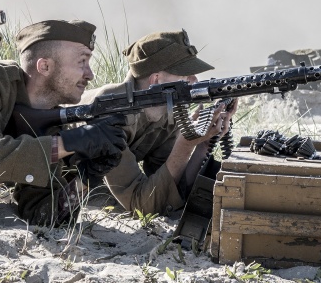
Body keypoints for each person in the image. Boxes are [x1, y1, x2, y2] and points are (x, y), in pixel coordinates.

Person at [0, 19, 127, 226]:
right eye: (82, 62)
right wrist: (70, 142)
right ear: (45, 66)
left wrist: (87, 178)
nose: (90, 74)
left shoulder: (48, 125)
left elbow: (41, 215)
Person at [78, 29, 236, 216]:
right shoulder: (109, 111)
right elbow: (140, 205)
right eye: (185, 74)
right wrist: (184, 145)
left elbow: (167, 184)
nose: (194, 81)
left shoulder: (167, 111)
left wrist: (202, 143)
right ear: (156, 80)